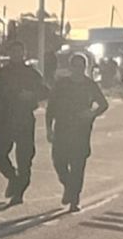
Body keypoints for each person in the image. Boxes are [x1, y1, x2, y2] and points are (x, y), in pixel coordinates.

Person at [0, 41, 49, 205]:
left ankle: (19, 193)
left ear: (24, 54)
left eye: (19, 52)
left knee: (24, 158)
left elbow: (45, 91)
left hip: (24, 119)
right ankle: (13, 178)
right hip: (6, 117)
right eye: (13, 52)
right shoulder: (3, 73)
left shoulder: (31, 73)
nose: (16, 54)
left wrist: (32, 95)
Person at [47, 53, 109, 212]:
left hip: (81, 130)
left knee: (77, 166)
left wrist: (92, 113)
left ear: (85, 67)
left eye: (81, 66)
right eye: (75, 66)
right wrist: (49, 128)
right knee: (59, 162)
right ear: (70, 67)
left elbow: (103, 104)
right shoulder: (62, 84)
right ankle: (68, 186)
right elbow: (51, 107)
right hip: (62, 128)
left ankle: (74, 200)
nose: (78, 69)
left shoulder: (90, 84)